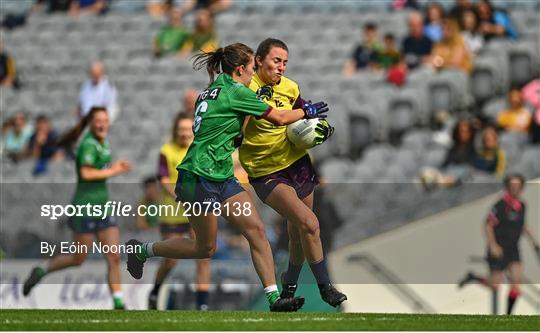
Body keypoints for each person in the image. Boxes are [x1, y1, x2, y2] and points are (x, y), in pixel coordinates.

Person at [125, 42, 329, 312]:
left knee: (256, 231)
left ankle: (274, 298)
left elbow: (231, 129)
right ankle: (142, 251)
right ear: (241, 68)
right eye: (253, 68)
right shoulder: (235, 91)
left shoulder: (210, 90)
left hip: (221, 175)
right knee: (204, 248)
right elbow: (279, 118)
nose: (254, 73)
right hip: (198, 176)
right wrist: (308, 111)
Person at [239, 38, 346, 307]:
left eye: (285, 62)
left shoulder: (290, 87)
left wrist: (318, 129)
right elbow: (242, 127)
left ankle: (289, 285)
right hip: (266, 170)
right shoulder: (245, 88)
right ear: (259, 60)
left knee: (299, 230)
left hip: (297, 164)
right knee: (309, 223)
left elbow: (304, 114)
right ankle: (325, 288)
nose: (281, 67)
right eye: (276, 61)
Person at [23, 107, 132, 309]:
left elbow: (99, 171)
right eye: (98, 120)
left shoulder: (103, 142)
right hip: (84, 208)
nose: (101, 124)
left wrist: (115, 167)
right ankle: (42, 270)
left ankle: (118, 302)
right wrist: (115, 170)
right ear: (90, 123)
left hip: (103, 208)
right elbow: (87, 174)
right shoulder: (88, 144)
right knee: (78, 258)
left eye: (105, 120)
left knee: (114, 256)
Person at [148, 112, 211, 311]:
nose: (184, 132)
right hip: (173, 210)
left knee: (203, 256)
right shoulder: (167, 151)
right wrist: (180, 196)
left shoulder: (199, 148)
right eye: (181, 129)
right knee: (171, 260)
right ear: (175, 131)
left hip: (198, 209)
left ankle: (202, 304)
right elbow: (164, 180)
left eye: (187, 128)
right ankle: (155, 290)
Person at [458, 174, 540, 314]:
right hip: (498, 249)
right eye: (512, 186)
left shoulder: (522, 205)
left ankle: (508, 317)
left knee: (516, 283)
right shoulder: (500, 205)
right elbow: (488, 225)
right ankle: (474, 277)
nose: (515, 189)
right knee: (495, 284)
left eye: (518, 186)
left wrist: (534, 241)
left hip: (513, 249)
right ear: (508, 187)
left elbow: (523, 225)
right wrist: (493, 245)